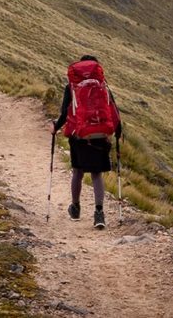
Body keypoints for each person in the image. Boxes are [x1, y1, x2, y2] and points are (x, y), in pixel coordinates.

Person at [49, 55, 122, 229]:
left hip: (79, 136)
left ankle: (75, 208)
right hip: (100, 135)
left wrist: (55, 127)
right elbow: (114, 111)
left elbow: (65, 113)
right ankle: (99, 214)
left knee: (78, 172)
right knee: (96, 175)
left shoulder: (72, 87)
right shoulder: (103, 86)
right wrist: (117, 133)